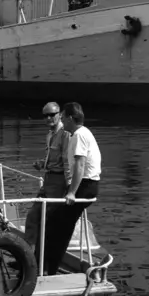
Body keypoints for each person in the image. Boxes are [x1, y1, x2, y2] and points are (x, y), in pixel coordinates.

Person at [42, 102, 101, 276]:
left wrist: (71, 192)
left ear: (68, 118)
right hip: (88, 185)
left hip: (86, 186)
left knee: (59, 226)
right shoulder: (84, 133)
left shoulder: (78, 136)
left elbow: (80, 166)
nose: (61, 120)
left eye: (62, 117)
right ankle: (47, 264)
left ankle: (49, 270)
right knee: (57, 222)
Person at [25, 102, 69, 252]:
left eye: (52, 114)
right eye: (46, 115)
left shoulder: (65, 134)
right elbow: (52, 159)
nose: (49, 118)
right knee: (32, 217)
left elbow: (67, 162)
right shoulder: (50, 135)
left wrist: (70, 188)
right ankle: (28, 257)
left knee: (48, 221)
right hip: (48, 179)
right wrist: (42, 164)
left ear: (60, 114)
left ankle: (44, 258)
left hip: (59, 181)